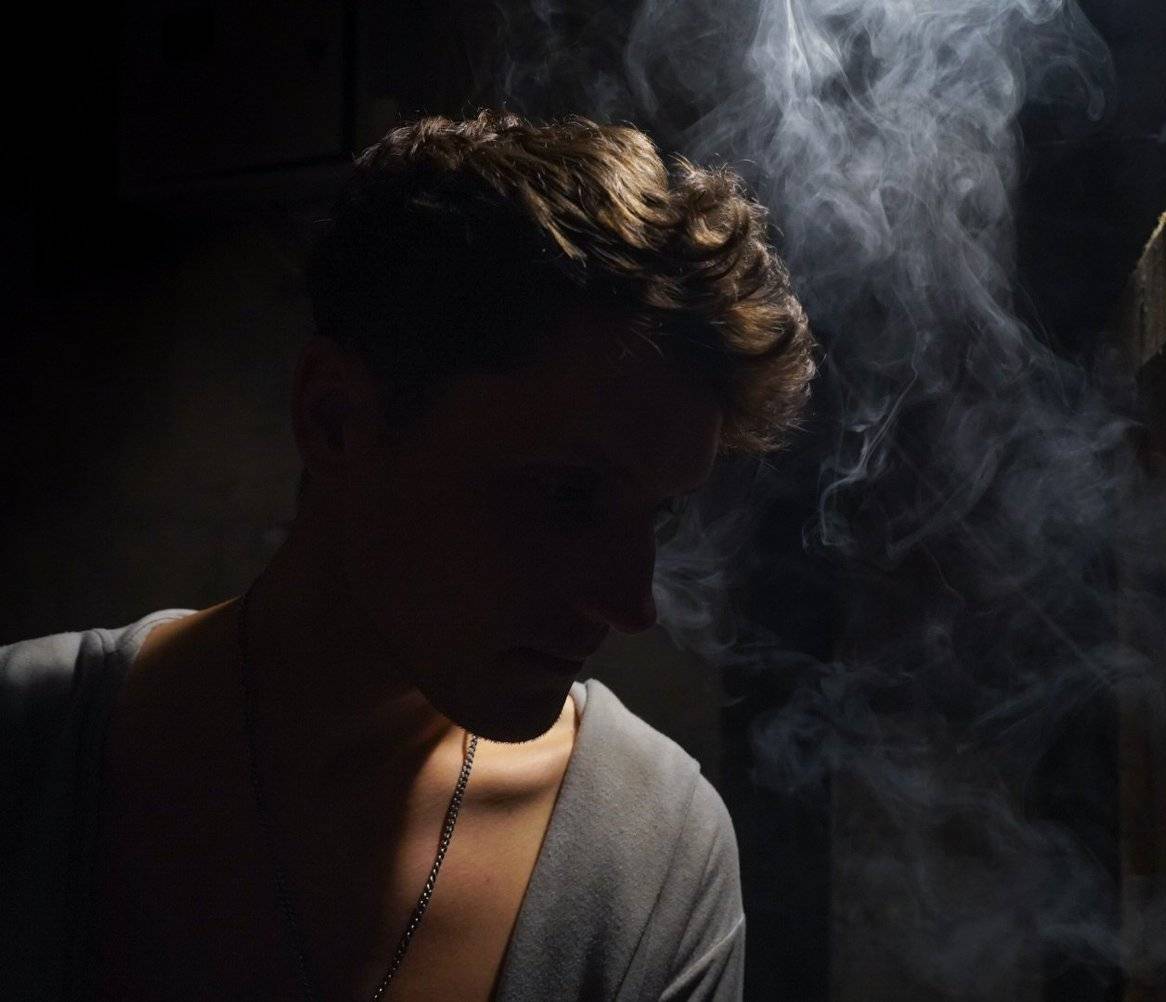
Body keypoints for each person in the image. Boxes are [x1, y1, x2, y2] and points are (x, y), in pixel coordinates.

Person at [1, 110, 816, 1001]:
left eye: (656, 514)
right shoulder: (28, 749)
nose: (632, 603)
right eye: (568, 495)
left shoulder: (655, 850)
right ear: (336, 420)